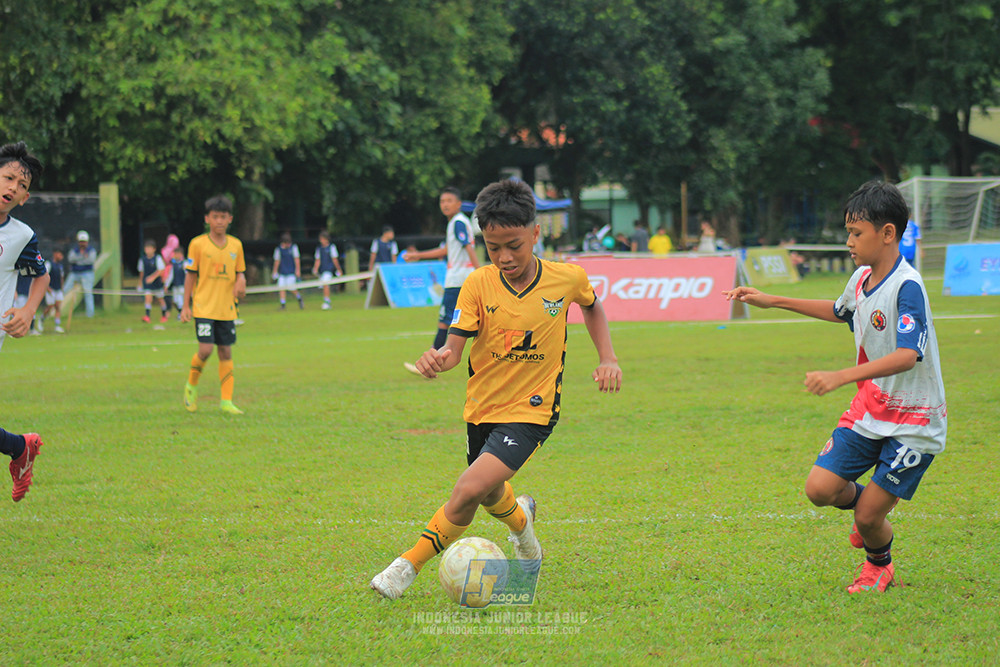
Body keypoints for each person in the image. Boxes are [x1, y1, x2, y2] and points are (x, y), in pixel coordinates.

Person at [371, 178, 623, 600]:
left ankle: (405, 566)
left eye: (514, 245)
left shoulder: (566, 279)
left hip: (533, 409)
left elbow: (593, 306)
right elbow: (453, 350)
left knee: (467, 489)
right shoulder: (476, 285)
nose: (504, 257)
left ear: (535, 233)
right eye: (493, 247)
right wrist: (437, 360)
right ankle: (523, 524)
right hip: (482, 408)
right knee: (488, 495)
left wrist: (608, 358)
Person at [723, 180, 947, 594]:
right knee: (819, 489)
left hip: (915, 419)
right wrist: (771, 299)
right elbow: (840, 310)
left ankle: (879, 563)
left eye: (856, 233)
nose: (848, 242)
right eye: (848, 232)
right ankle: (872, 508)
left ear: (887, 234)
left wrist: (842, 375)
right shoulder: (862, 277)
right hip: (871, 408)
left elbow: (907, 354)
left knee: (866, 519)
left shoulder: (907, 285)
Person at [0, 141, 49, 501]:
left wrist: (28, 312)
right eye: (7, 178)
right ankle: (20, 447)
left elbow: (41, 276)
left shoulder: (21, 236)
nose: (13, 187)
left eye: (21, 185)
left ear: (24, 198)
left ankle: (20, 448)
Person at [181, 195, 247, 415]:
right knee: (206, 349)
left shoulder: (236, 245)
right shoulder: (197, 244)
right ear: (207, 218)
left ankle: (226, 402)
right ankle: (191, 386)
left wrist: (241, 281)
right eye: (215, 217)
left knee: (226, 352)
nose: (219, 221)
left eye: (223, 217)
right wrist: (186, 305)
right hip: (204, 307)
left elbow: (240, 273)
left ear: (230, 219)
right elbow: (190, 276)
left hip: (226, 309)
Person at [402, 187, 479, 374]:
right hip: (461, 280)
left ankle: (429, 365)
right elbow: (446, 251)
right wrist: (418, 255)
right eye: (442, 201)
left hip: (458, 282)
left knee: (445, 324)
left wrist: (480, 272)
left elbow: (468, 247)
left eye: (449, 200)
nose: (445, 204)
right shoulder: (456, 223)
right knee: (472, 323)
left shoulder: (458, 222)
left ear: (458, 204)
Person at [65, 229, 98, 317]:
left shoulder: (91, 250)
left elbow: (90, 260)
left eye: (84, 242)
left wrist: (78, 259)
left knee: (88, 293)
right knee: (65, 289)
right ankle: (58, 311)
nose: (82, 243)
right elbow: (70, 259)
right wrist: (83, 257)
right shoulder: (74, 250)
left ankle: (90, 314)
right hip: (75, 273)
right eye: (81, 241)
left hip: (87, 273)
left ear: (87, 242)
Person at [138, 238, 169, 323]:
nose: (147, 250)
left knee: (160, 299)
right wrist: (140, 283)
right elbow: (141, 272)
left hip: (157, 283)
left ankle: (164, 315)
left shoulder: (157, 258)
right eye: (146, 248)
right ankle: (147, 316)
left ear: (154, 249)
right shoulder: (142, 259)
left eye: (149, 248)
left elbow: (161, 270)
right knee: (148, 298)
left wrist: (152, 277)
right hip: (147, 283)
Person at [312, 230, 343, 310]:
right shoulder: (319, 249)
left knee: (325, 284)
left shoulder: (331, 247)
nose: (320, 241)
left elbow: (334, 259)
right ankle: (327, 300)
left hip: (329, 270)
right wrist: (315, 269)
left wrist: (338, 269)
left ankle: (327, 302)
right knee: (324, 285)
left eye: (322, 239)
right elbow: (318, 260)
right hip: (322, 270)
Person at [272, 231, 303, 310]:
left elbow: (297, 260)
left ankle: (299, 298)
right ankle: (283, 304)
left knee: (291, 288)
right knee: (281, 287)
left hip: (291, 272)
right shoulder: (278, 249)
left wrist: (298, 270)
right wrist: (274, 271)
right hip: (282, 272)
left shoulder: (294, 248)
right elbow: (277, 261)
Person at [41, 248, 66, 333]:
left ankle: (57, 325)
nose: (61, 257)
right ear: (55, 254)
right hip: (50, 289)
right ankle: (41, 319)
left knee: (58, 306)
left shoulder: (60, 265)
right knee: (50, 307)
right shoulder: (49, 264)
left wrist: (62, 288)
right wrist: (47, 287)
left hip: (58, 289)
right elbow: (45, 275)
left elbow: (61, 277)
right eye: (59, 254)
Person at [166, 247, 186, 320]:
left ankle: (181, 315)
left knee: (181, 300)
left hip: (182, 285)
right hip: (176, 285)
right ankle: (181, 313)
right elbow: (170, 276)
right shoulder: (173, 265)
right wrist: (166, 285)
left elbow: (188, 275)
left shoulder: (185, 263)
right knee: (175, 300)